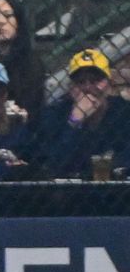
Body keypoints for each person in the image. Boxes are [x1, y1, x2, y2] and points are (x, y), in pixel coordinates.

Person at [30, 49, 130, 180]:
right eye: (80, 82)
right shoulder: (55, 113)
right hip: (70, 192)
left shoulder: (124, 111)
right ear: (71, 87)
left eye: (95, 80)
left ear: (109, 83)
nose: (88, 88)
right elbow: (54, 164)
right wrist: (74, 121)